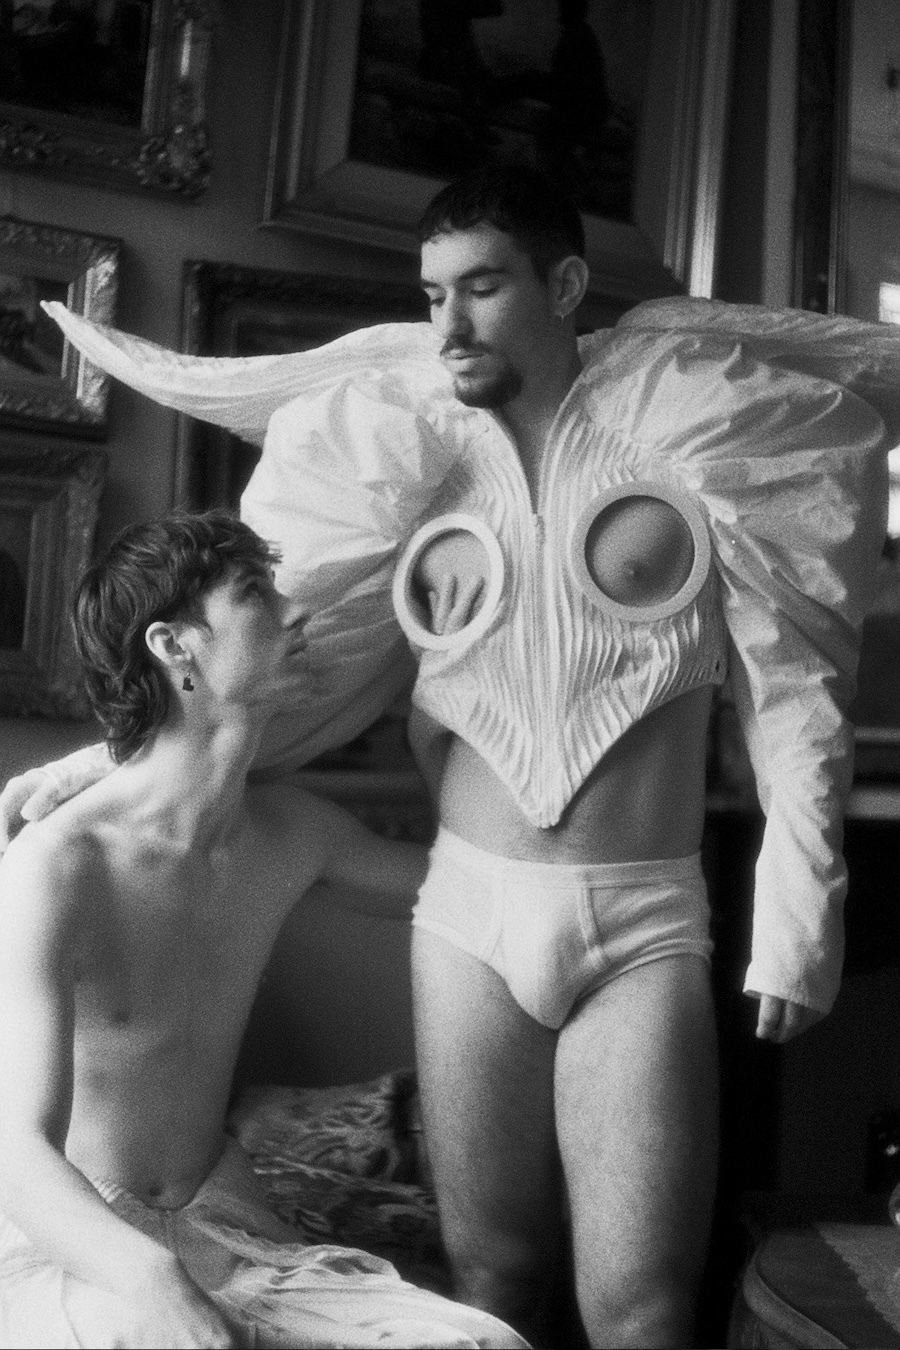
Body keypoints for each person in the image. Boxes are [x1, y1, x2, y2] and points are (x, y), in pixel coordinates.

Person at [3, 164, 900, 1346]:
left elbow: (796, 694)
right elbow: (251, 663)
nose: (450, 325)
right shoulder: (406, 458)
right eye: (433, 297)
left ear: (563, 286)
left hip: (644, 918)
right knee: (493, 1288)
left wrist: (797, 914)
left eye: (481, 288)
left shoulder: (704, 434)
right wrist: (92, 774)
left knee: (642, 1309)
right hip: (468, 915)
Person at [0, 509, 526, 1350]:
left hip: (221, 1223)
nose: (297, 611)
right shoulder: (58, 865)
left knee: (484, 1344)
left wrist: (469, 687)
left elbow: (491, 888)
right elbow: (17, 1159)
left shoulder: (292, 835)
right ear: (174, 645)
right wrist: (155, 1284)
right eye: (255, 593)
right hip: (80, 1242)